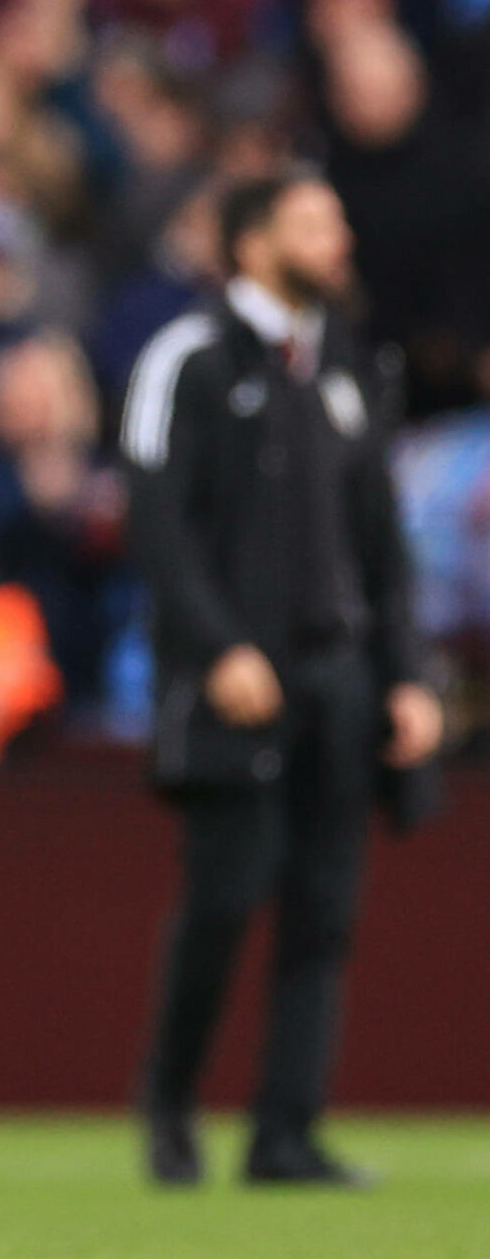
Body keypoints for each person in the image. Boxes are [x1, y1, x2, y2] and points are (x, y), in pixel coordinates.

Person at [121, 170, 443, 1186]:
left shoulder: (350, 364)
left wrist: (407, 673)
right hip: (237, 680)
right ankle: (170, 1103)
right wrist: (216, 647)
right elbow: (158, 524)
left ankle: (285, 1130)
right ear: (253, 243)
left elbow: (382, 544)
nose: (337, 237)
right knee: (223, 895)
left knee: (323, 908)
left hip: (337, 676)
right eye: (314, 222)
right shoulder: (192, 359)